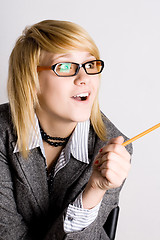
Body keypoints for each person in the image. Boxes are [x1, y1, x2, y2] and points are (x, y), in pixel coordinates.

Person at [0, 20, 132, 240]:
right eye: (65, 67)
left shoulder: (113, 148)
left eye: (90, 65)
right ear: (30, 79)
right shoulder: (2, 131)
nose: (84, 78)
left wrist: (95, 189)